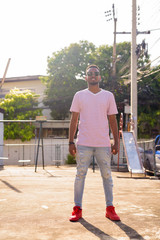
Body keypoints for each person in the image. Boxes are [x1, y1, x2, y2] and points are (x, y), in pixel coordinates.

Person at [69, 64, 120, 222]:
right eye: (90, 73)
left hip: (103, 144)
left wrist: (116, 142)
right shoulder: (79, 95)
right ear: (86, 77)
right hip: (83, 143)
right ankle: (77, 209)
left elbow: (112, 119)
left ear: (99, 77)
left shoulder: (108, 96)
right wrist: (71, 141)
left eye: (95, 73)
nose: (93, 75)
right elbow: (74, 119)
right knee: (80, 176)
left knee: (107, 176)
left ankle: (110, 209)